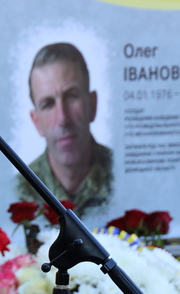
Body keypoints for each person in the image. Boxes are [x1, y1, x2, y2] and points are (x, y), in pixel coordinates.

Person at [15, 42, 113, 214]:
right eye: (48, 104)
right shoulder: (17, 194)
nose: (63, 119)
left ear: (92, 105)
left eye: (71, 96)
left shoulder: (127, 177)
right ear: (36, 122)